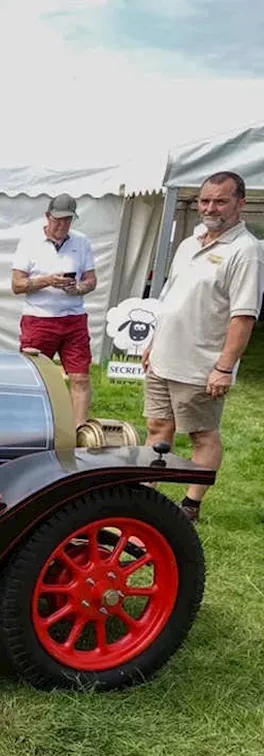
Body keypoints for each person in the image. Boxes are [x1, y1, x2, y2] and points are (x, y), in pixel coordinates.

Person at [143, 170, 262, 522]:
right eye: (205, 200)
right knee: (156, 428)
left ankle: (191, 505)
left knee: (201, 434)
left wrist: (224, 366)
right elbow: (169, 298)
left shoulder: (246, 251)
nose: (211, 208)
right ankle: (145, 495)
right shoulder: (189, 242)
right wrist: (154, 341)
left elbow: (244, 315)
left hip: (200, 364)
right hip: (164, 356)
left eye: (221, 200)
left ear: (240, 203)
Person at [10, 193, 99, 426]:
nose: (62, 225)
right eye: (57, 220)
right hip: (39, 319)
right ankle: (29, 426)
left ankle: (79, 432)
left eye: (67, 220)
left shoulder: (82, 242)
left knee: (80, 377)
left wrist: (77, 288)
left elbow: (91, 280)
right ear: (47, 216)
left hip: (74, 318)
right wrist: (48, 280)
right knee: (34, 378)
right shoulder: (29, 241)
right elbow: (17, 285)